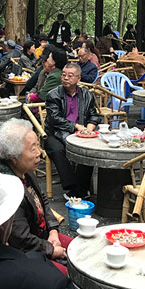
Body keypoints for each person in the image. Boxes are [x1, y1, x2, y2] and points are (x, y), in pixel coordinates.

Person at [0, 119, 70, 274]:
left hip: (44, 236)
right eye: (32, 148)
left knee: (80, 249)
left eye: (38, 145)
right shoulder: (6, 186)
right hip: (27, 252)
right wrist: (51, 250)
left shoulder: (24, 170)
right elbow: (20, 239)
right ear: (14, 157)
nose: (39, 153)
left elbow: (43, 201)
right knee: (67, 275)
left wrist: (53, 231)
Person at [44, 63, 100, 199]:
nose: (65, 78)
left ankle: (79, 190)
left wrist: (90, 127)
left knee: (88, 150)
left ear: (78, 78)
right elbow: (55, 119)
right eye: (63, 75)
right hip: (56, 133)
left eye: (70, 75)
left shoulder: (87, 95)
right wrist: (77, 127)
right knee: (57, 150)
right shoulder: (53, 95)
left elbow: (94, 115)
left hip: (80, 134)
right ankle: (74, 188)